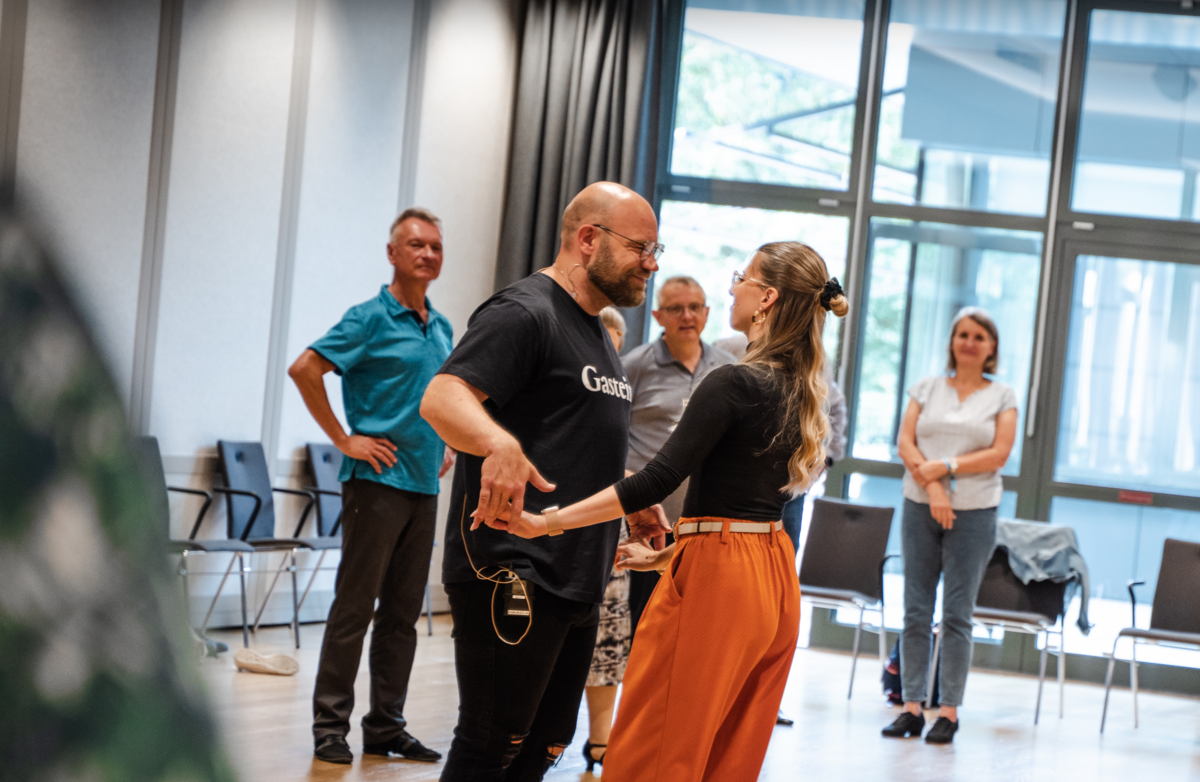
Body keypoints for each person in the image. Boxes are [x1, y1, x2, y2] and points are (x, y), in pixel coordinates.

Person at [487, 242, 849, 782]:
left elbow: (655, 480)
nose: (733, 287)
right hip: (771, 573)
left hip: (721, 578)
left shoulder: (733, 381)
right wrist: (674, 556)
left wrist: (547, 521)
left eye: (743, 277)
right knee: (725, 752)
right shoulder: (801, 387)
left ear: (767, 298)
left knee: (657, 748)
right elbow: (748, 511)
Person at [419, 181, 671, 781]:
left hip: (579, 574)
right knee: (492, 743)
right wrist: (498, 442)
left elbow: (566, 440)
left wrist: (628, 493)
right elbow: (442, 397)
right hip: (514, 569)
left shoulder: (593, 328)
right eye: (641, 248)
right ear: (588, 239)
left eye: (656, 250)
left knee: (547, 745)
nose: (652, 264)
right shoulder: (524, 311)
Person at [289, 207, 453, 765]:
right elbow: (305, 369)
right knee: (354, 609)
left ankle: (385, 726)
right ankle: (329, 727)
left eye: (435, 246)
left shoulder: (441, 326)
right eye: (416, 244)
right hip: (376, 484)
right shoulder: (368, 319)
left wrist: (449, 442)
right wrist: (344, 438)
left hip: (424, 487)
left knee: (402, 616)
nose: (427, 254)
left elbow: (442, 397)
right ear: (392, 253)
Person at [881, 307, 1017, 745]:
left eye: (979, 336)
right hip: (920, 504)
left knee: (957, 614)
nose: (969, 343)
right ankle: (911, 708)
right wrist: (936, 488)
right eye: (963, 334)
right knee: (916, 610)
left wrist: (946, 467)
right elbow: (905, 443)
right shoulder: (926, 387)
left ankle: (949, 712)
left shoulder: (1003, 396)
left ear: (991, 347)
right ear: (952, 342)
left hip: (975, 512)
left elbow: (999, 454)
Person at [622, 277, 737, 636]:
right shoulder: (633, 366)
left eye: (694, 307)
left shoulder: (729, 370)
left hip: (706, 527)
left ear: (707, 313)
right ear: (657, 315)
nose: (687, 316)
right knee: (643, 629)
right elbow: (609, 437)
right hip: (646, 527)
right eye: (675, 308)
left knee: (697, 631)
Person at [582, 306, 634, 773]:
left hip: (612, 521)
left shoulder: (621, 382)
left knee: (609, 637)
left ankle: (601, 739)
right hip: (564, 517)